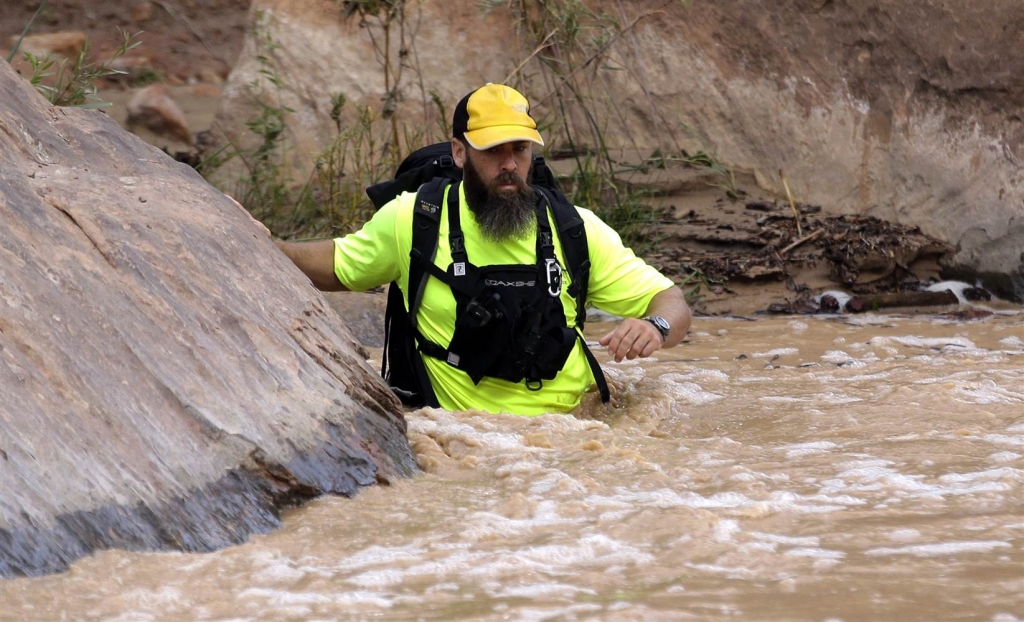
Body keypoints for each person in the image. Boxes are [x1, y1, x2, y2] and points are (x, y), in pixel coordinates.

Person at [272, 83, 691, 415]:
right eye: (493, 150)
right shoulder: (414, 220)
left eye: (520, 150)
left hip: (577, 430)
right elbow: (333, 266)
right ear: (459, 152)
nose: (509, 164)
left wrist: (656, 326)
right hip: (466, 436)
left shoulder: (574, 227)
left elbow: (672, 301)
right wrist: (261, 241)